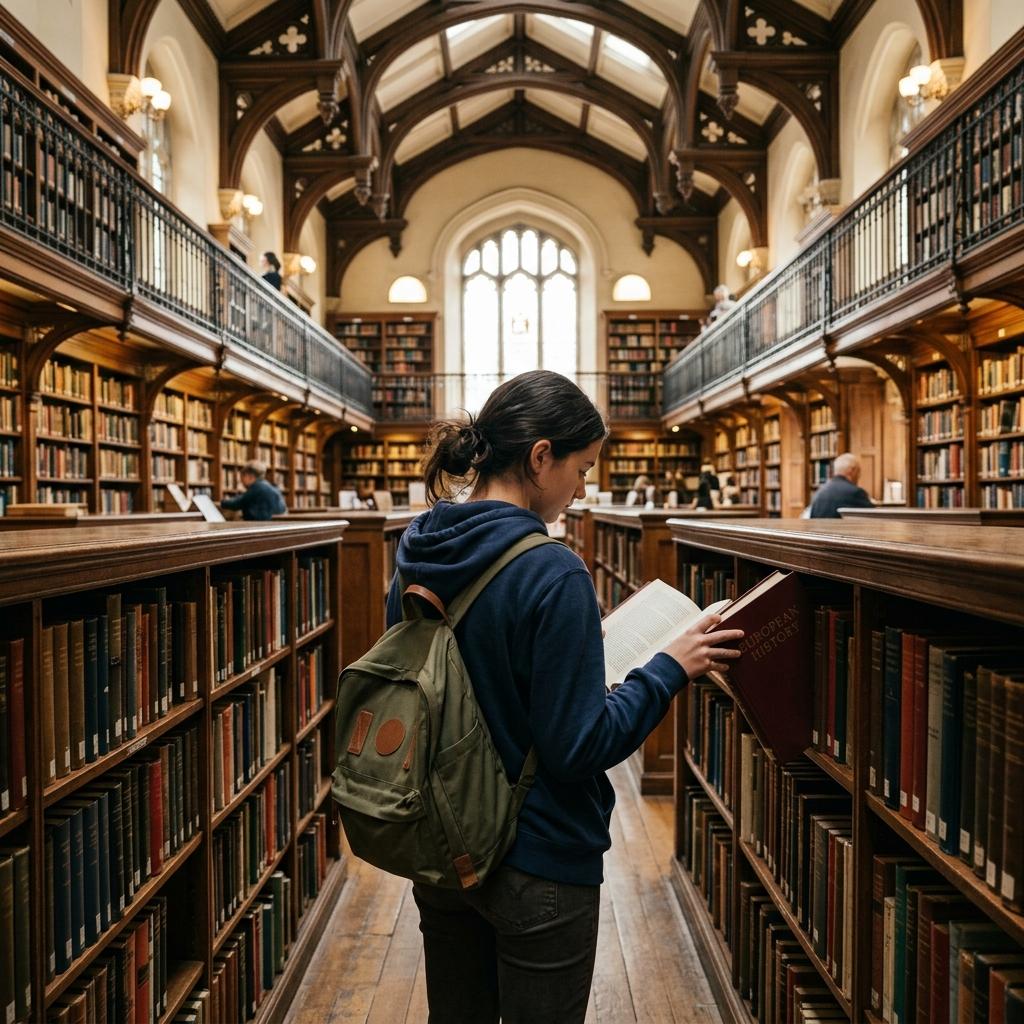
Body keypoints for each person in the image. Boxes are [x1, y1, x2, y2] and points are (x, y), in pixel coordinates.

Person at [386, 370, 743, 1023]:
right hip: (538, 857)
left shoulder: (419, 549)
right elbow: (578, 746)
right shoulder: (551, 569)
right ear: (540, 457)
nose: (585, 489)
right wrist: (668, 668)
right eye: (582, 468)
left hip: (443, 844)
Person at [808, 452, 874, 518]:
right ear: (852, 470)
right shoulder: (855, 492)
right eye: (858, 471)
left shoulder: (819, 492)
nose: (859, 475)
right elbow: (873, 518)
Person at [221, 460, 286, 521]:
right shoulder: (271, 487)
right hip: (274, 525)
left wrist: (223, 502)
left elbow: (237, 504)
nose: (241, 481)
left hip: (260, 526)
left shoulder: (256, 488)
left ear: (249, 476)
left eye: (242, 476)